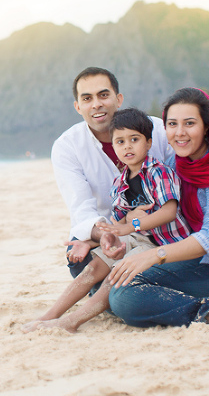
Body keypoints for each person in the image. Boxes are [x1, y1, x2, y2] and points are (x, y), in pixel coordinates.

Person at [51, 67, 209, 279]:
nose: (96, 104)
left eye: (103, 95)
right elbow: (82, 210)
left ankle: (136, 289)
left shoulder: (156, 130)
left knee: (124, 292)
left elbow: (193, 156)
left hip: (164, 234)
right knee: (81, 264)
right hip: (110, 233)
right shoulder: (67, 147)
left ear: (119, 99)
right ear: (77, 106)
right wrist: (101, 236)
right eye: (87, 98)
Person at [105, 87, 209, 327]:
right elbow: (152, 199)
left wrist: (154, 256)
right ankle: (195, 302)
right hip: (194, 258)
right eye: (172, 124)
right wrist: (125, 223)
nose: (179, 133)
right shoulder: (178, 163)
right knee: (110, 284)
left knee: (122, 296)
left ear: (206, 126)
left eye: (190, 123)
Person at [24, 108, 192, 333]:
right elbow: (117, 222)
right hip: (137, 239)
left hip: (165, 243)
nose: (128, 146)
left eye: (134, 139)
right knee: (93, 267)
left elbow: (169, 212)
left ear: (149, 143)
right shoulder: (119, 183)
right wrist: (93, 241)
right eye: (120, 142)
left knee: (117, 272)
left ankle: (71, 322)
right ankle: (50, 315)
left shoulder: (159, 172)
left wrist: (132, 226)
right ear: (113, 146)